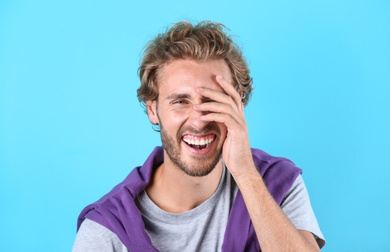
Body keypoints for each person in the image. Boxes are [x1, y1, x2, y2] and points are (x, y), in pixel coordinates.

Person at [73, 21, 325, 252]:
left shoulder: (276, 182)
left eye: (213, 101)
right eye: (180, 101)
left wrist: (247, 174)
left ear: (237, 103)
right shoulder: (106, 230)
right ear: (153, 109)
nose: (199, 120)